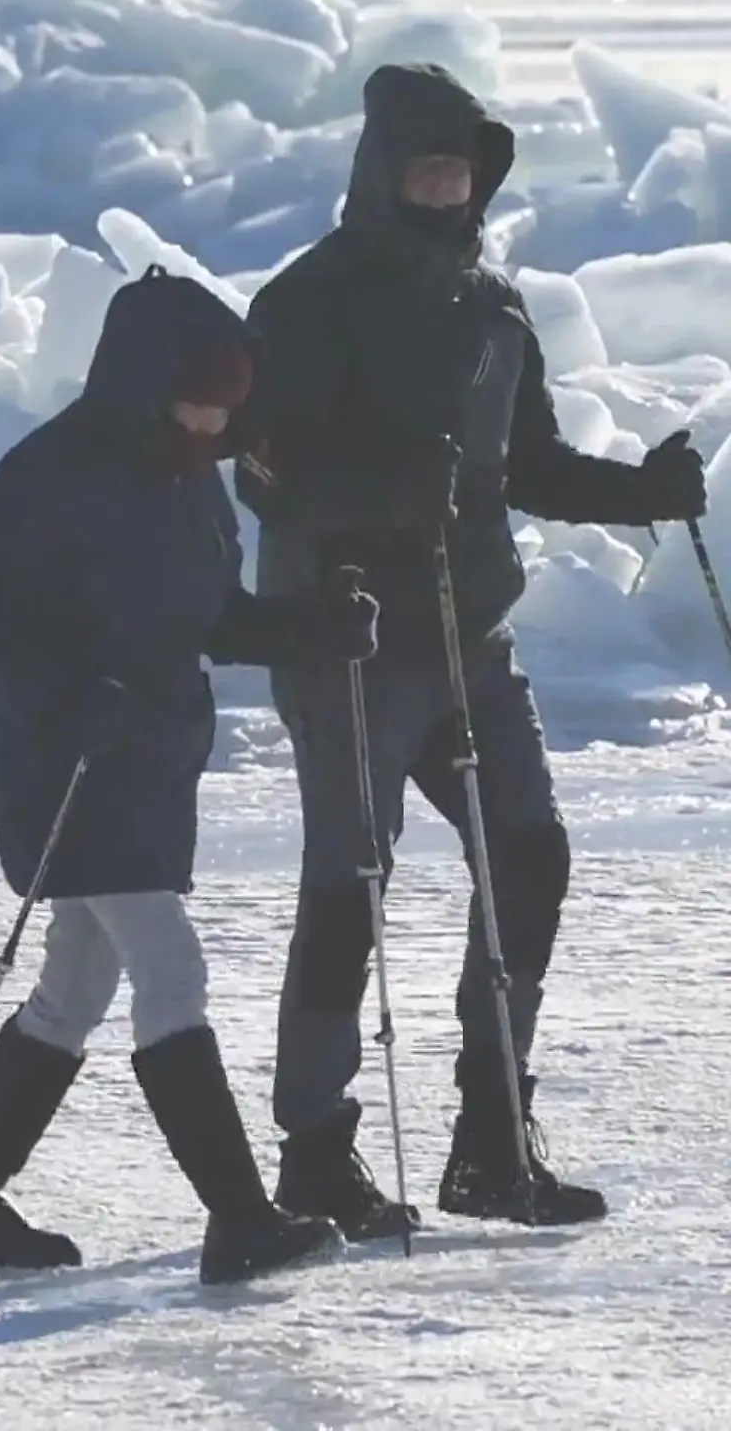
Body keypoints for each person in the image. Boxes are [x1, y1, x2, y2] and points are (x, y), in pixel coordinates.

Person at [236, 61, 707, 1237]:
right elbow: (265, 478)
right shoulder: (308, 303)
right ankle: (314, 1154)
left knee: (531, 856)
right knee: (349, 888)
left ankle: (493, 1139)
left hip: (471, 641)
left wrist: (640, 492)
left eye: (462, 172)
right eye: (426, 171)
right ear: (381, 173)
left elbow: (526, 468)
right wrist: (381, 495)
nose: (446, 191)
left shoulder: (493, 306)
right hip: (347, 643)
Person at [0, 264, 379, 1285]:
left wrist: (318, 629)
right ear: (142, 383)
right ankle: (241, 1219)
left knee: (74, 987)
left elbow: (213, 618)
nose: (214, 424)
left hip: (154, 765)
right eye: (197, 402)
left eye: (228, 408)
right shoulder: (52, 472)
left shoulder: (191, 479)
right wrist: (62, 696)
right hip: (71, 766)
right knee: (170, 975)